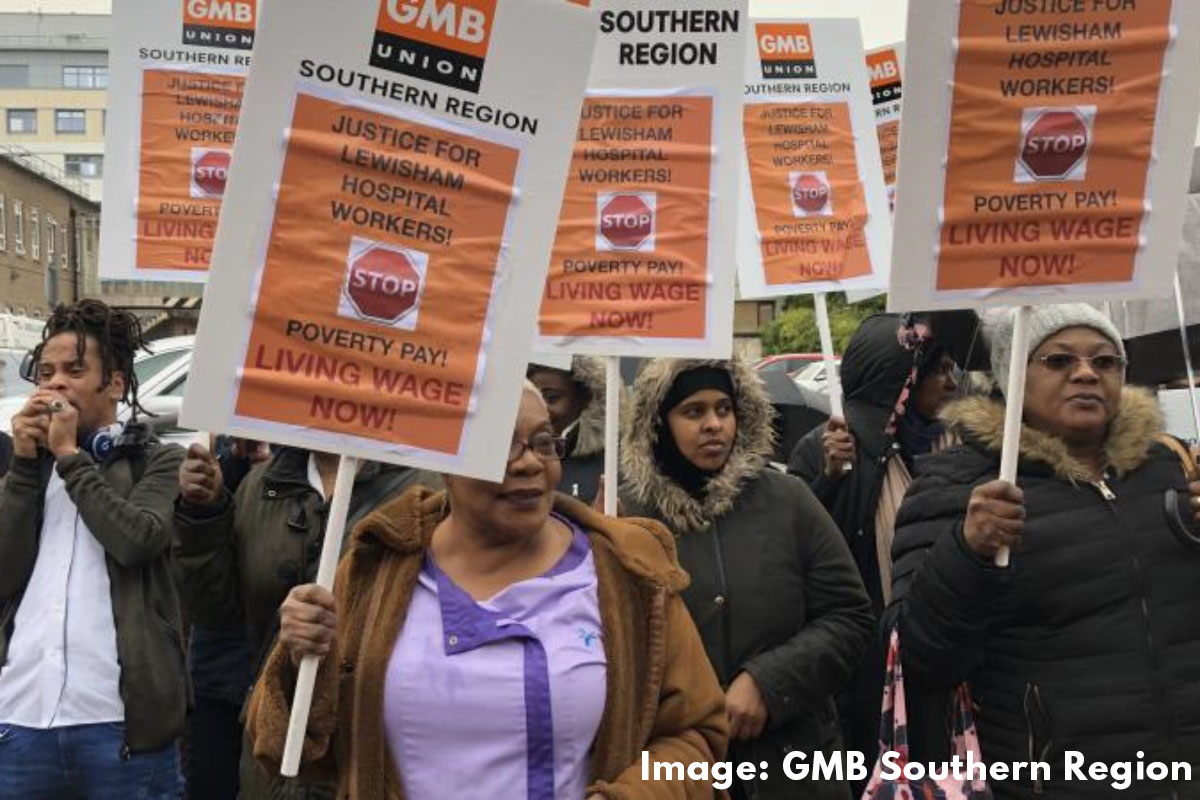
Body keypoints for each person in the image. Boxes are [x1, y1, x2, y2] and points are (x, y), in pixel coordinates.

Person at [244, 381, 726, 799]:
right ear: (444, 461)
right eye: (502, 446)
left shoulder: (627, 575)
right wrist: (299, 659)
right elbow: (288, 751)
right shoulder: (375, 571)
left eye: (543, 442)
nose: (530, 464)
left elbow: (698, 739)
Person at [887, 304, 1200, 798]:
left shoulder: (1169, 469)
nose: (1085, 374)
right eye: (1058, 361)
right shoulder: (959, 488)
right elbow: (926, 657)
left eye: (1105, 362)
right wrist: (967, 553)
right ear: (1013, 375)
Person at [621, 359, 873, 800]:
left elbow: (850, 616)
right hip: (679, 774)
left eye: (724, 408)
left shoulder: (787, 499)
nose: (714, 424)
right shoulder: (627, 518)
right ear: (659, 423)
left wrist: (769, 683)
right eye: (694, 412)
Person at [175, 444, 440, 799]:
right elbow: (217, 611)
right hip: (273, 751)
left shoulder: (428, 488)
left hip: (374, 750)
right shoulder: (260, 485)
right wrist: (204, 515)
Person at [0, 299, 187, 798]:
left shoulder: (157, 461)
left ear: (118, 384)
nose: (55, 383)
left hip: (122, 728)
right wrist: (22, 465)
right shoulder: (22, 470)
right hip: (20, 722)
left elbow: (138, 540)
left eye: (75, 370)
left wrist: (68, 456)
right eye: (46, 372)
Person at [787, 313, 960, 773]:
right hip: (864, 668)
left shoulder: (953, 447)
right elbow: (798, 553)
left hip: (938, 659)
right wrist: (829, 480)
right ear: (902, 379)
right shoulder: (828, 446)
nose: (951, 383)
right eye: (938, 370)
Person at [527, 356, 612, 504]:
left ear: (585, 399)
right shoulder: (509, 456)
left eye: (551, 397)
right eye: (533, 397)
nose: (541, 407)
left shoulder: (614, 462)